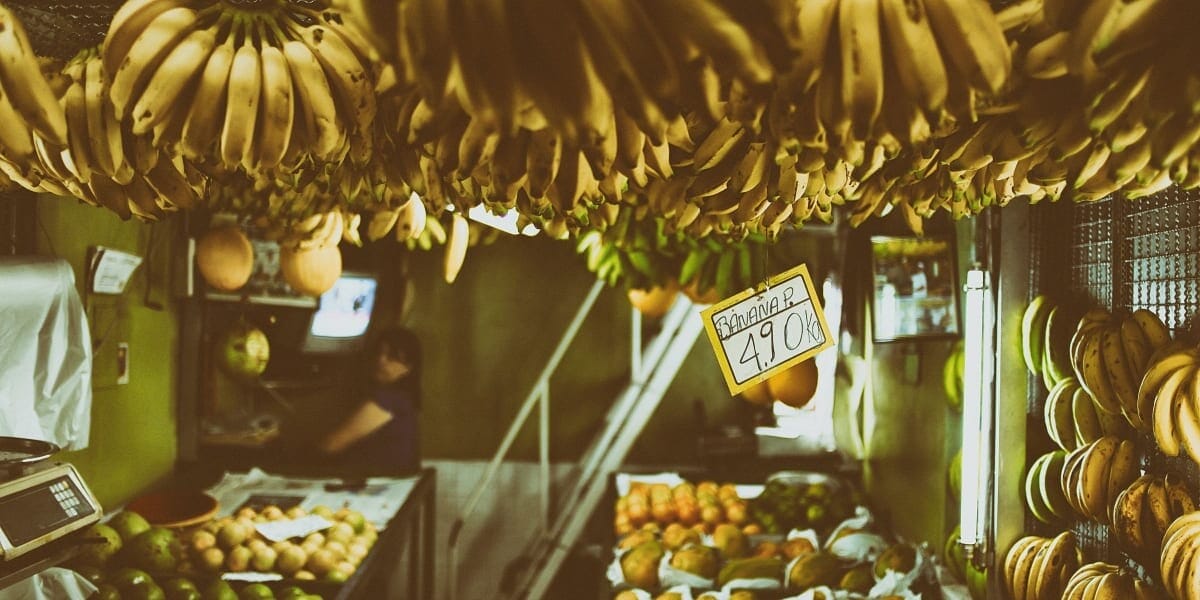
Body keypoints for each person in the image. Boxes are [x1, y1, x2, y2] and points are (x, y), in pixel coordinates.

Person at [317, 327, 422, 476]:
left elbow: (331, 445)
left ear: (408, 366)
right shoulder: (404, 399)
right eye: (378, 353)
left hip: (380, 486)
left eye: (391, 356)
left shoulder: (390, 400)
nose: (381, 361)